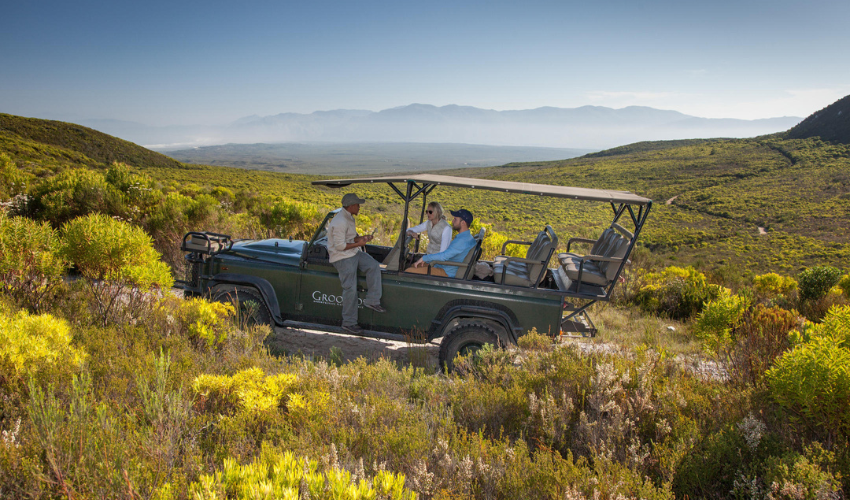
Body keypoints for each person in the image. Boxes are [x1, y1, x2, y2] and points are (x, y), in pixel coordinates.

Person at [327, 193, 386, 335]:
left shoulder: (349, 218)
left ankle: (372, 300)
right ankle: (349, 323)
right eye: (358, 205)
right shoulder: (340, 221)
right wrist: (359, 243)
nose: (359, 207)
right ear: (351, 206)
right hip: (342, 257)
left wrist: (362, 238)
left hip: (353, 252)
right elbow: (340, 247)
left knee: (373, 265)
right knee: (350, 289)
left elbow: (351, 238)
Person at [406, 209, 476, 278]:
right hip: (443, 266)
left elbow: (444, 256)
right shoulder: (466, 237)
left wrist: (425, 258)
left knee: (408, 272)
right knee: (414, 266)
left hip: (446, 271)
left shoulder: (462, 240)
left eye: (455, 219)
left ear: (463, 223)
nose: (452, 221)